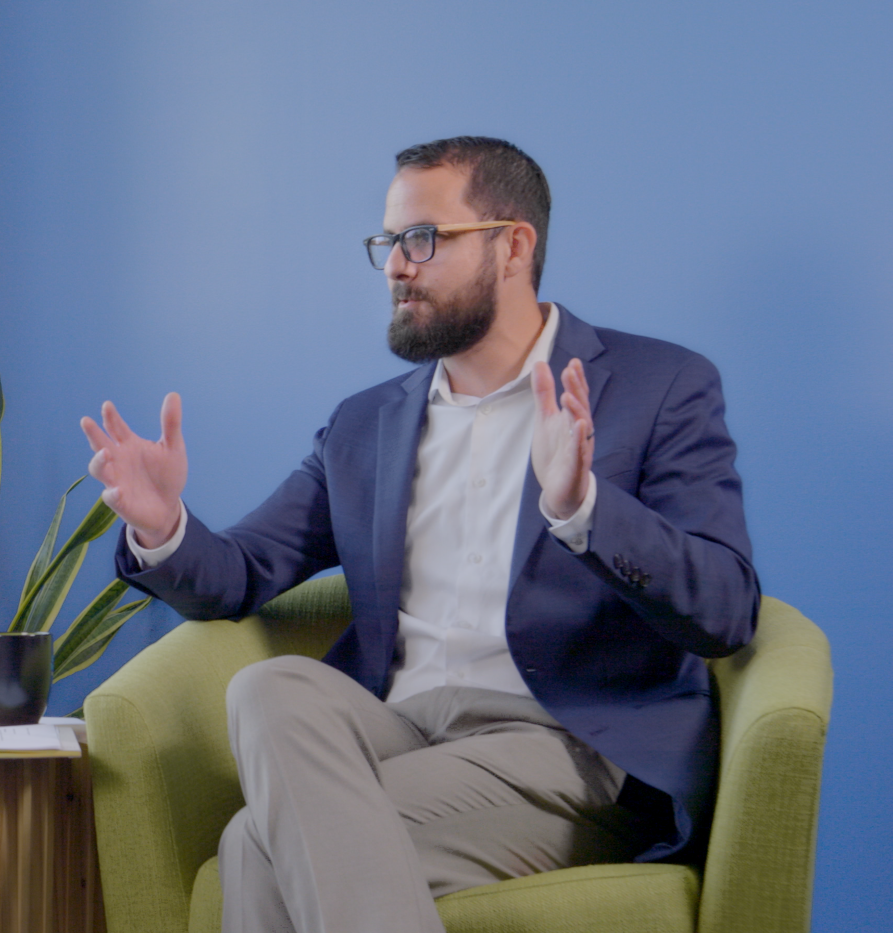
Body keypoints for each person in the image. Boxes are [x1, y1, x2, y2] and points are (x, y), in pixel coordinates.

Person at [80, 136, 757, 933]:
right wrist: (164, 528)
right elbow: (239, 570)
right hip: (396, 734)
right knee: (269, 688)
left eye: (423, 239)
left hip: (562, 754)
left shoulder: (659, 386)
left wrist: (586, 510)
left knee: (253, 846)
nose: (398, 265)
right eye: (389, 243)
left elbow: (725, 610)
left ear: (513, 245)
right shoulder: (365, 425)